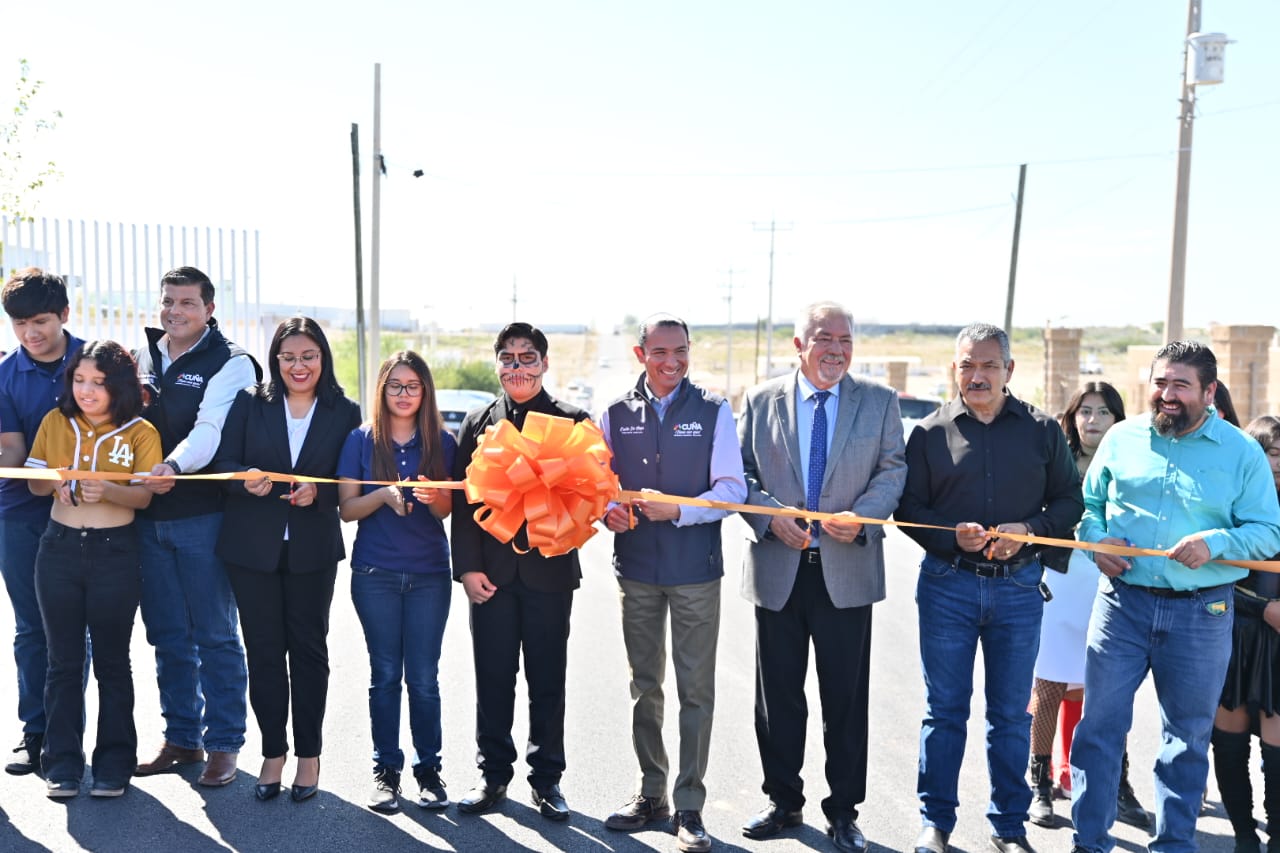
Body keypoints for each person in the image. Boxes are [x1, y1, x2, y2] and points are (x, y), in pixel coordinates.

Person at [1070, 341, 1280, 853]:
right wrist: (1096, 540)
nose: (1166, 394)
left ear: (1209, 392)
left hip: (1202, 613)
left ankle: (1174, 845)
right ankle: (1088, 842)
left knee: (1185, 741)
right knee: (1099, 729)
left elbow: (1268, 534)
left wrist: (1216, 543)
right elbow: (1089, 506)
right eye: (1160, 382)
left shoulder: (1242, 452)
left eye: (1180, 385)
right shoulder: (1121, 439)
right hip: (1121, 605)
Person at [896, 322, 1082, 853]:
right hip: (946, 587)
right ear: (954, 369)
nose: (976, 376)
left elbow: (1071, 501)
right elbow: (908, 511)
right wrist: (951, 539)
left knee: (1008, 715)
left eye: (988, 366)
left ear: (1009, 370)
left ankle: (1008, 826)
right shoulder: (929, 433)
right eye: (966, 366)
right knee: (945, 710)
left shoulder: (1043, 431)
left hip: (1019, 589)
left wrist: (1031, 534)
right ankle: (936, 822)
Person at [737, 301, 906, 852]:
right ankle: (783, 801)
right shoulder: (762, 401)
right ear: (799, 345)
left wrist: (864, 519)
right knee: (778, 696)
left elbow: (892, 470)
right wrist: (769, 516)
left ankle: (844, 812)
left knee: (845, 699)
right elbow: (739, 472)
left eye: (846, 338)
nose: (836, 348)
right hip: (779, 569)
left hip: (847, 569)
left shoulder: (878, 402)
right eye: (823, 337)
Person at [599, 314, 746, 853]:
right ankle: (651, 792)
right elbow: (601, 487)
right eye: (659, 352)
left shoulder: (713, 411)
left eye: (680, 351)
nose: (671, 362)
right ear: (641, 355)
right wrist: (608, 513)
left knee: (695, 692)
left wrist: (677, 510)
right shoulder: (614, 414)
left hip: (695, 573)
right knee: (645, 687)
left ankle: (689, 806)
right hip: (635, 569)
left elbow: (731, 489)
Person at [211, 317, 361, 803]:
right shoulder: (249, 403)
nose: (298, 366)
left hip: (313, 550)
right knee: (264, 652)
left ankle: (309, 755)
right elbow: (223, 463)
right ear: (275, 360)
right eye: (288, 357)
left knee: (310, 652)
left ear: (323, 358)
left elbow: (349, 482)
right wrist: (244, 476)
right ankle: (273, 751)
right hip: (251, 548)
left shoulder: (345, 411)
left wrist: (319, 493)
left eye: (308, 356)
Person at [450, 321, 589, 821]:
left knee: (548, 679)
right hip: (490, 578)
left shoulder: (573, 421)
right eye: (507, 358)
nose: (517, 367)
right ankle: (493, 776)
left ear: (545, 364)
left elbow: (586, 501)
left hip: (550, 577)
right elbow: (464, 504)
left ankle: (547, 779)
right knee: (493, 678)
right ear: (498, 365)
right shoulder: (478, 421)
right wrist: (466, 569)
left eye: (527, 357)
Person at [132, 266, 258, 786]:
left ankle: (224, 743)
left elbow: (209, 429)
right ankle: (182, 737)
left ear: (209, 309)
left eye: (186, 303)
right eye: (168, 301)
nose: (174, 311)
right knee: (166, 634)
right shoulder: (144, 356)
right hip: (145, 518)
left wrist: (173, 467)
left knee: (214, 634)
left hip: (202, 516)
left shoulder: (231, 362)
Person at [25, 340, 163, 797]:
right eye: (80, 380)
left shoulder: (141, 432)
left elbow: (142, 497)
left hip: (114, 553)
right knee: (62, 662)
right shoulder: (55, 421)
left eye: (98, 383)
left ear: (118, 386)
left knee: (111, 662)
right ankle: (62, 764)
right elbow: (35, 479)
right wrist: (56, 485)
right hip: (58, 550)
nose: (86, 390)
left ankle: (114, 765)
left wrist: (107, 489)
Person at [337, 351, 456, 814]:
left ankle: (429, 771)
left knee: (424, 679)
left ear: (425, 391)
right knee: (385, 675)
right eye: (395, 386)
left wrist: (433, 497)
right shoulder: (360, 440)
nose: (404, 394)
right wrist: (382, 495)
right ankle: (386, 771)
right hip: (375, 574)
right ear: (382, 390)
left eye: (412, 386)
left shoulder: (442, 441)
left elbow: (448, 512)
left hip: (429, 574)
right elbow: (346, 509)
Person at [1025, 382, 1148, 829]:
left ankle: (1116, 782)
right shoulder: (1054, 459)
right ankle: (1040, 784)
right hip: (1060, 580)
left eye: (1103, 412)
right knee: (1050, 684)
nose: (1093, 420)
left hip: (1114, 580)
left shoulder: (1134, 460)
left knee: (1110, 689)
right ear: (1073, 417)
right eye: (1085, 411)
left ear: (1118, 418)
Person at [0, 268, 85, 776]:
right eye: (18, 323)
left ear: (64, 316)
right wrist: (37, 473)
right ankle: (36, 732)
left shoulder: (96, 363)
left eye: (40, 321)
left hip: (87, 515)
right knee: (32, 628)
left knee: (75, 630)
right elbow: (10, 447)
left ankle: (65, 734)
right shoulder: (5, 374)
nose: (30, 333)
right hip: (19, 514)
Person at [1212, 414, 1280, 853]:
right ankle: (1242, 836)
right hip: (1234, 634)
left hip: (1278, 645)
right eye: (1271, 458)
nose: (1278, 470)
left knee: (1276, 751)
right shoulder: (1232, 506)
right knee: (1230, 744)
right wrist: (1264, 607)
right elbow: (1214, 575)